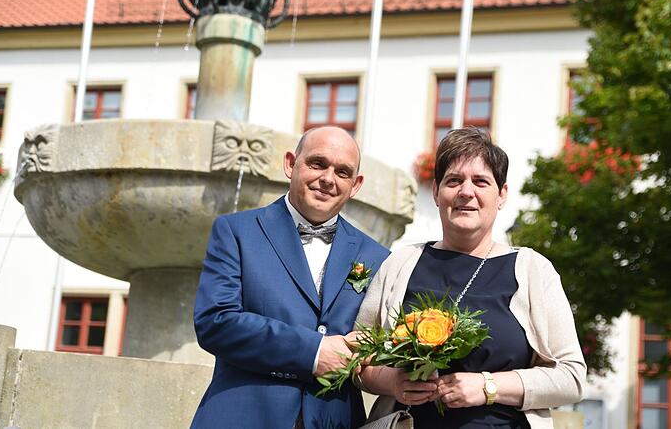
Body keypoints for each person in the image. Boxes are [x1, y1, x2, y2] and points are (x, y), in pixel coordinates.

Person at [355, 128, 586, 429]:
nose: (466, 192)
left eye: (481, 182)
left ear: (501, 195)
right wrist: (392, 382)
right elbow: (359, 356)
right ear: (436, 192)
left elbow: (571, 377)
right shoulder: (401, 263)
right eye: (454, 181)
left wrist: (488, 386)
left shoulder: (532, 270)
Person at [191, 126, 390, 429]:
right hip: (244, 417)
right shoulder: (236, 232)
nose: (328, 179)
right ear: (290, 164)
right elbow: (215, 322)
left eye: (342, 172)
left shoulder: (376, 256)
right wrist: (313, 351)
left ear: (356, 184)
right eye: (317, 163)